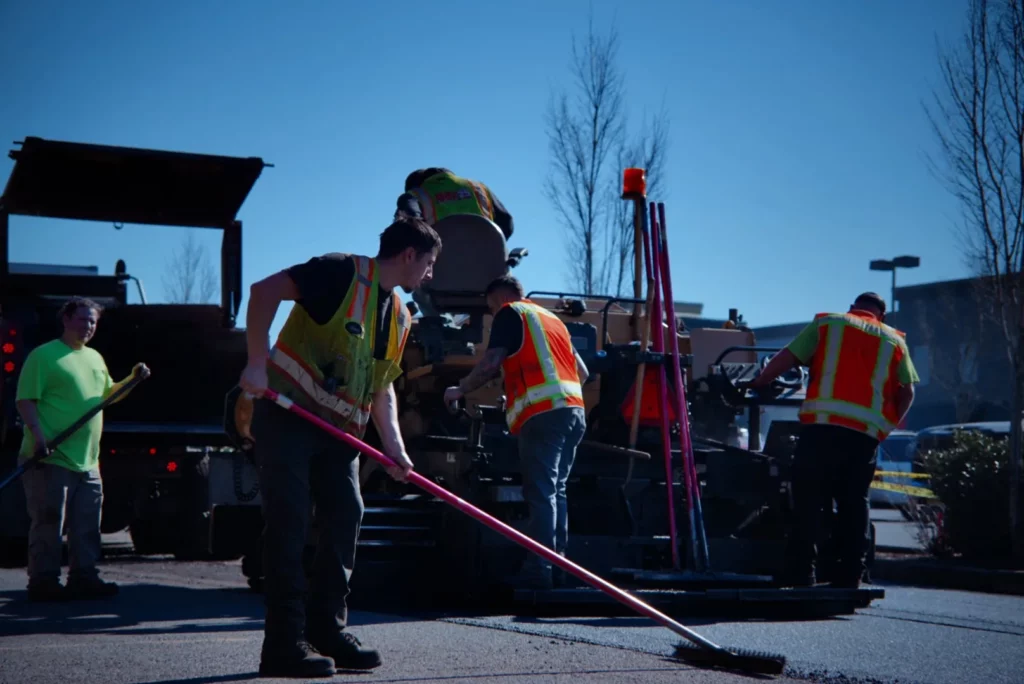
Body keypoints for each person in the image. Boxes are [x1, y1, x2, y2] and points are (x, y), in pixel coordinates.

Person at [238, 213, 441, 678]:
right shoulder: (339, 271)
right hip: (288, 415)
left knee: (346, 514)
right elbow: (263, 291)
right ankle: (284, 644)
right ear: (409, 255)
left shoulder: (401, 315)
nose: (430, 275)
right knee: (289, 523)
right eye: (429, 263)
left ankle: (328, 630)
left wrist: (395, 448)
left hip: (339, 434)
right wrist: (255, 361)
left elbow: (383, 387)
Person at [745, 292, 919, 589]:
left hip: (822, 430)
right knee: (854, 504)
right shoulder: (895, 341)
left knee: (809, 500)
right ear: (881, 316)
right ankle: (851, 574)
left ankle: (802, 572)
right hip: (863, 437)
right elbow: (908, 392)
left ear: (852, 308)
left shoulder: (830, 324)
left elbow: (786, 358)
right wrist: (883, 428)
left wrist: (758, 382)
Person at [443, 275, 587, 590]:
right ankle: (557, 567)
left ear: (503, 296)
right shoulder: (553, 320)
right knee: (556, 492)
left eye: (491, 305)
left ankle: (539, 570)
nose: (494, 312)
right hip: (574, 412)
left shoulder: (512, 312)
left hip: (544, 416)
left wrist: (460, 389)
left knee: (540, 494)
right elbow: (584, 372)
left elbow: (491, 362)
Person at [15, 296, 149, 602]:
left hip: (88, 460)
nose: (88, 326)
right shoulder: (45, 356)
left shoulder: (94, 358)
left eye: (92, 322)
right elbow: (25, 399)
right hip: (50, 457)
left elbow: (107, 397)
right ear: (66, 320)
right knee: (49, 522)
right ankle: (44, 581)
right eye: (82, 319)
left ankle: (84, 578)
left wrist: (132, 380)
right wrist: (38, 435)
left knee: (87, 524)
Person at [396, 167, 515, 240]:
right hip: (486, 266)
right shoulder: (478, 188)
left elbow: (409, 222)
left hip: (439, 271)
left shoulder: (415, 195)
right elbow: (507, 223)